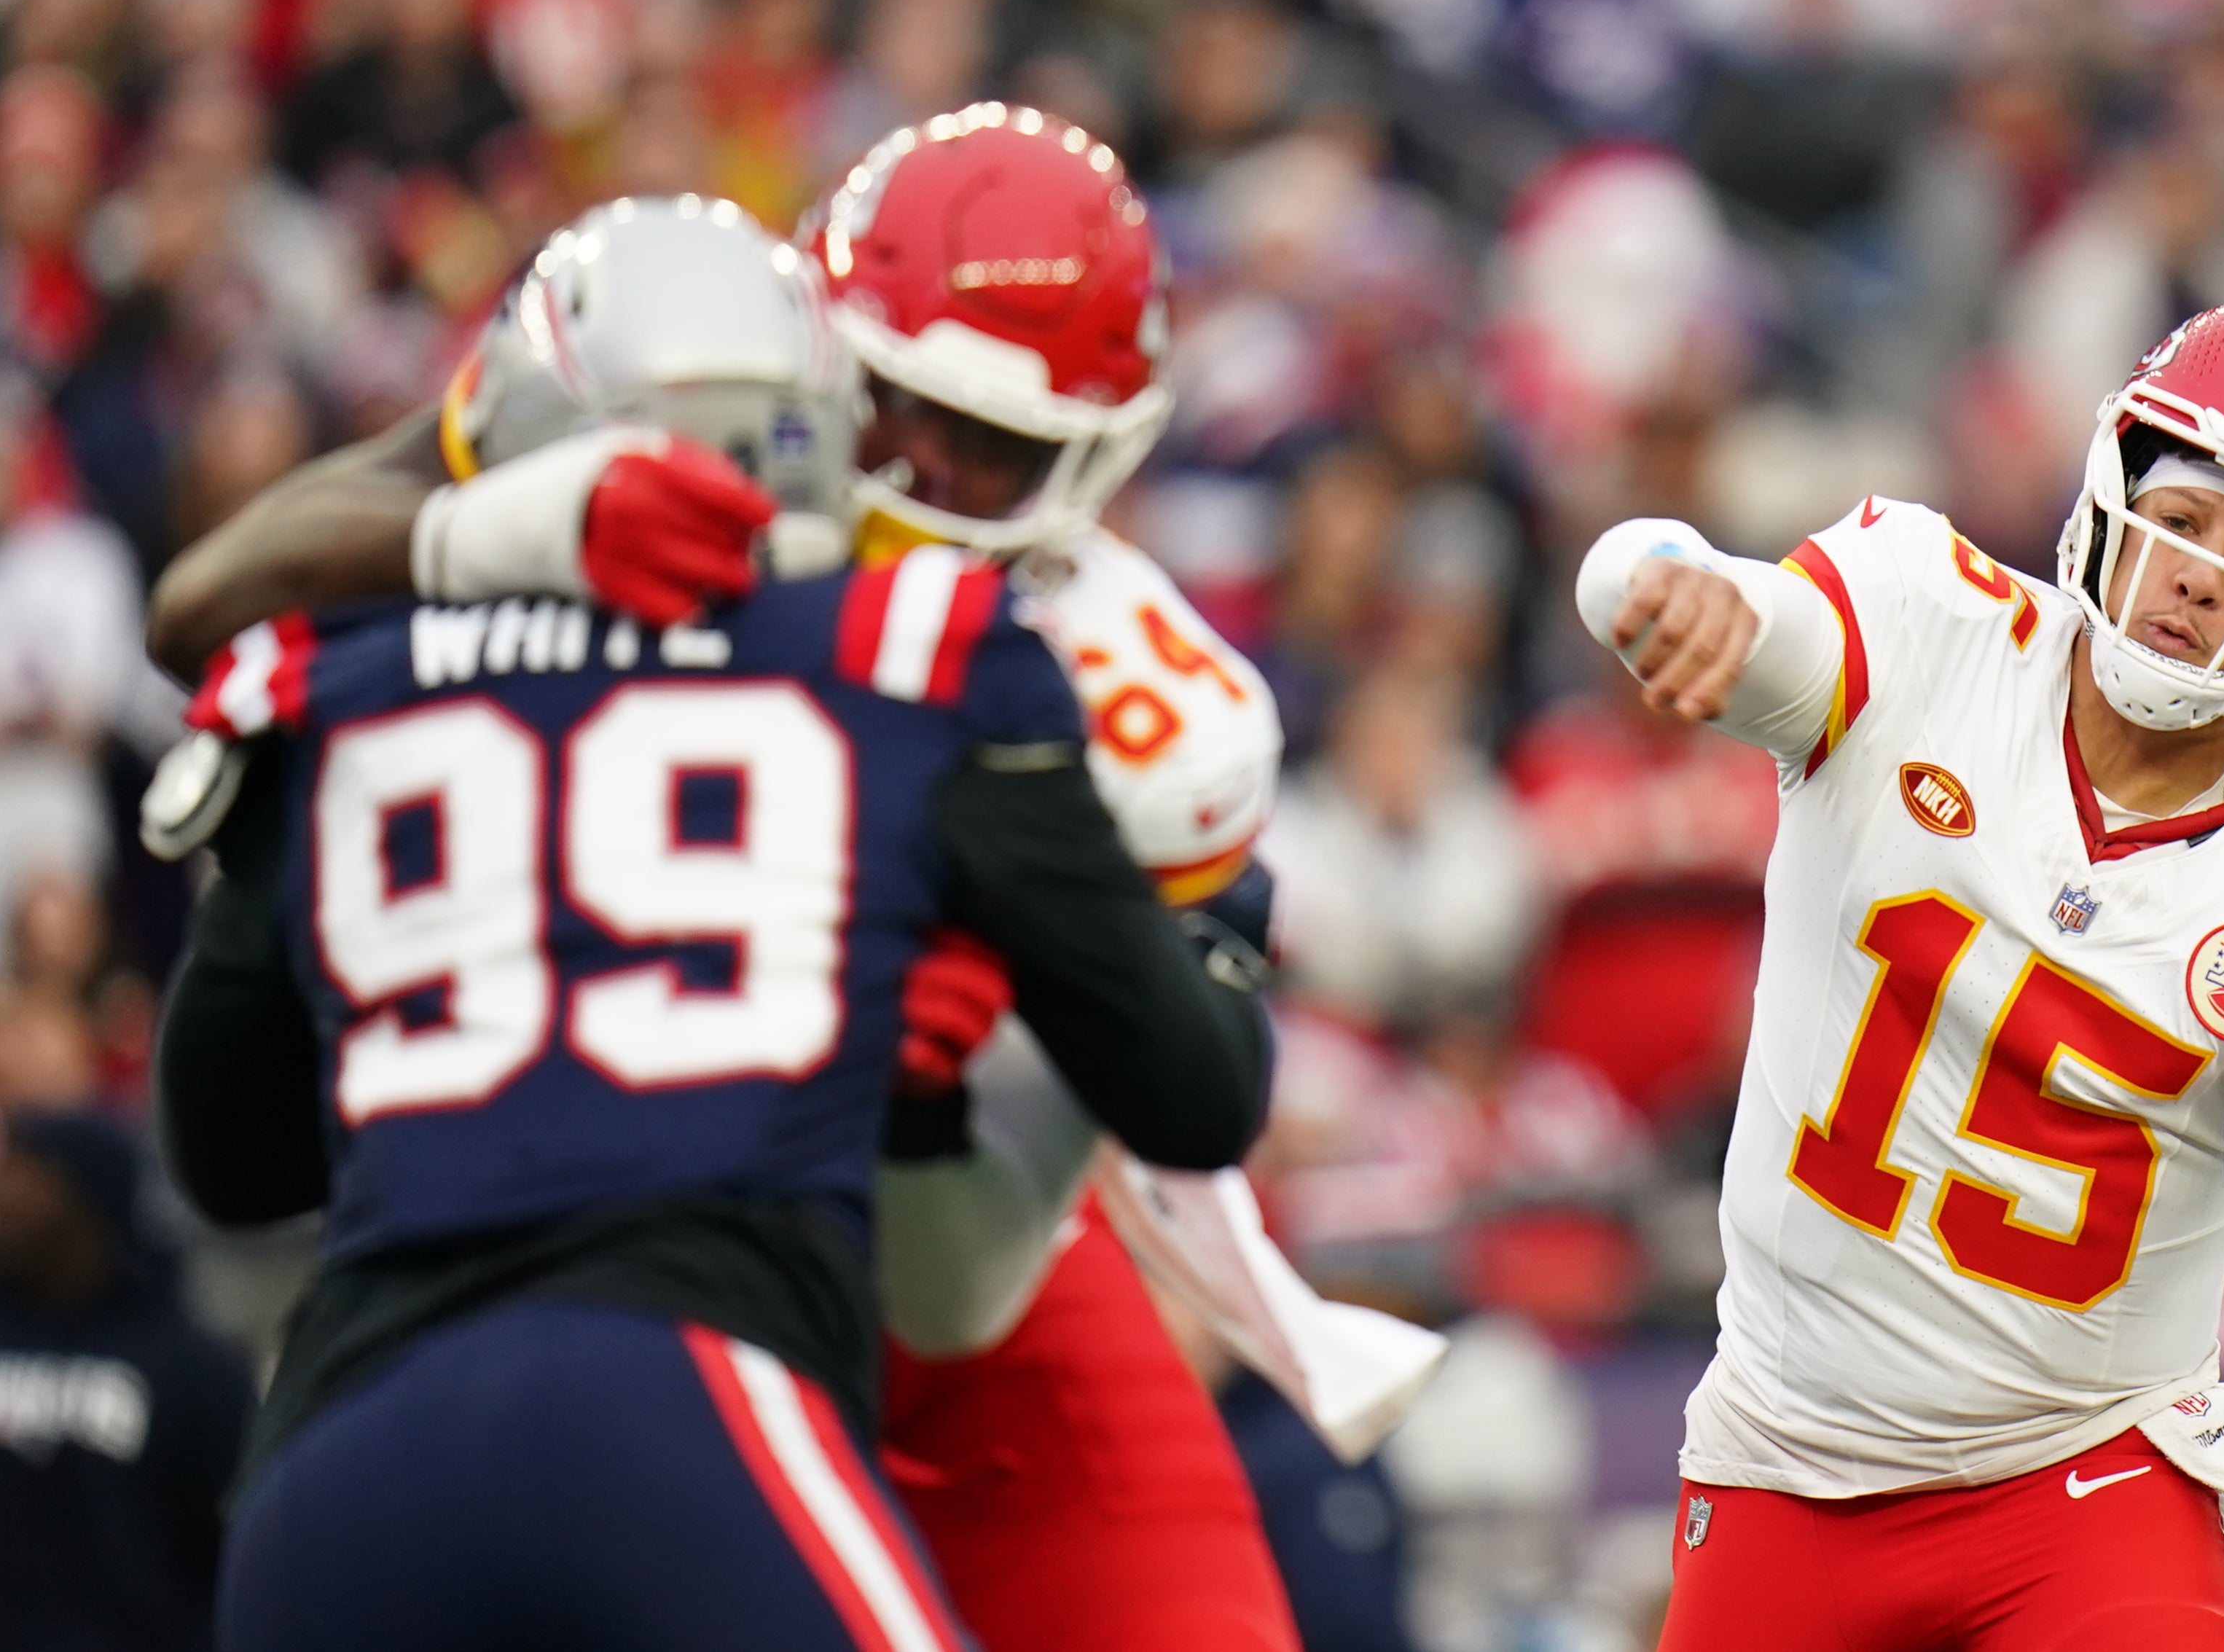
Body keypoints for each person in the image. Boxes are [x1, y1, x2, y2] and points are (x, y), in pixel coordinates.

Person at [143, 112, 1411, 1652]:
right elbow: (209, 592)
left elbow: (984, 1268)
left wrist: (957, 1097)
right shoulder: (691, 412)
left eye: (1000, 450)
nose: (931, 480)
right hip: (662, 1276)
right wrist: (501, 529)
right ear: (811, 354)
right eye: (899, 412)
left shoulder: (1094, 688)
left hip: (903, 1286)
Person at [1573, 296, 2224, 1650]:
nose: (2198, 577)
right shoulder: (1922, 619)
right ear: (2112, 492)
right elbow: (1723, 606)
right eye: (2181, 521)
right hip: (1784, 1456)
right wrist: (1659, 574)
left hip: (2087, 1480)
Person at [0, 1111, 253, 1651]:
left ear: (91, 1194)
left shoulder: (191, 1371)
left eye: (27, 1170)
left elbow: (225, 1560)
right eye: (1, 1168)